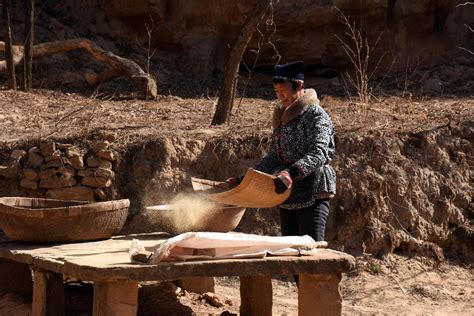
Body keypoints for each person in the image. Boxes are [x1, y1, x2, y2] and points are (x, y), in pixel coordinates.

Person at [227, 61, 336, 242]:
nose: (280, 96)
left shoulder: (315, 114)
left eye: (283, 90)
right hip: (288, 192)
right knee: (291, 253)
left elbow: (319, 153)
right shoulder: (283, 117)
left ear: (299, 86)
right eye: (276, 91)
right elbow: (274, 157)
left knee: (311, 252)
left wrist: (291, 172)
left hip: (313, 189)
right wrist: (245, 180)